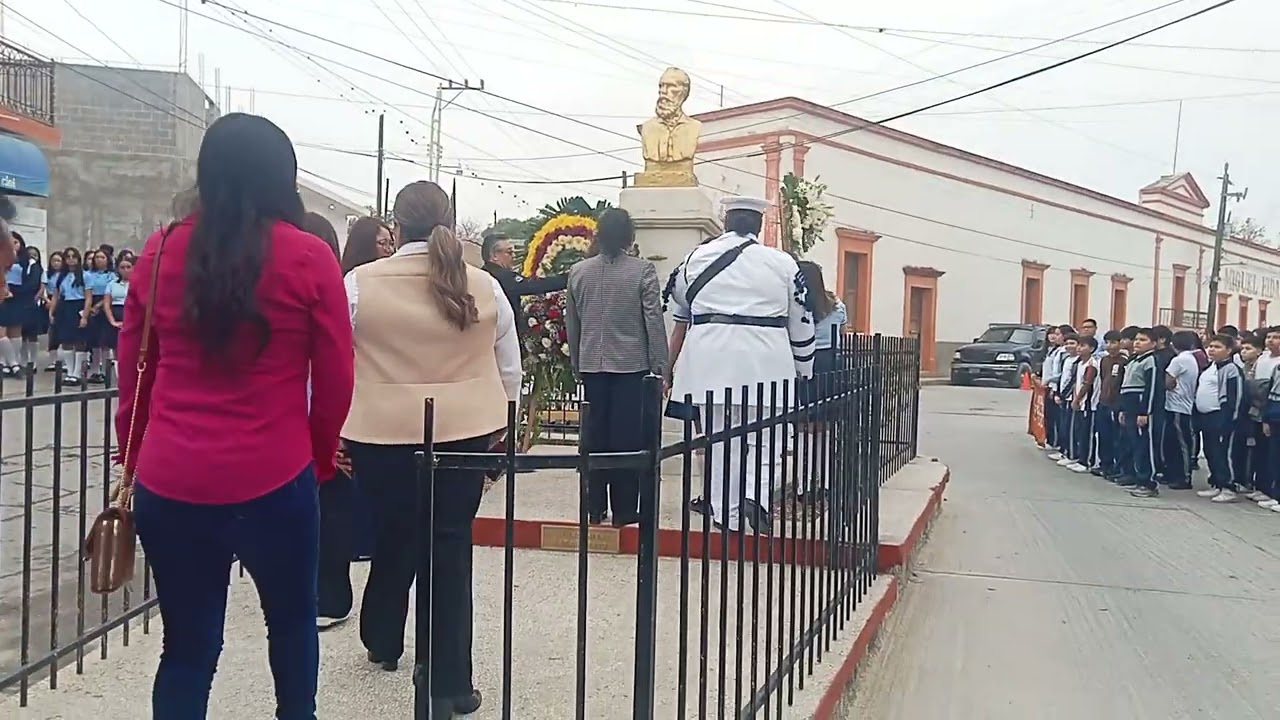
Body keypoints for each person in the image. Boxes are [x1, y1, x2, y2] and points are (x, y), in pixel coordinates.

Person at [115, 113, 354, 719]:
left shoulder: (160, 250)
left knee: (188, 647)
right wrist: (321, 457)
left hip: (172, 479)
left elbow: (133, 373)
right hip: (276, 474)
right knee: (293, 626)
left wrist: (133, 456)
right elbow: (334, 378)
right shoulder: (309, 255)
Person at [341, 180, 521, 718]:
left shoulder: (358, 283)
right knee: (449, 547)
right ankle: (449, 683)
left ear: (396, 226)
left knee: (393, 534)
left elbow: (335, 357)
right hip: (466, 428)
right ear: (449, 221)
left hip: (379, 429)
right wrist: (502, 424)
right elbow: (508, 365)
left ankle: (382, 638)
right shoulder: (483, 284)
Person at [664, 195, 815, 532]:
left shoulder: (695, 258)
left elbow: (679, 303)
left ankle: (725, 514)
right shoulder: (782, 264)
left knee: (719, 441)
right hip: (766, 361)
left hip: (708, 361)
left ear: (726, 222)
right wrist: (804, 368)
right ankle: (755, 495)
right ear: (758, 226)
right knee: (770, 436)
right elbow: (801, 320)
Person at [564, 207, 667, 526]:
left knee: (594, 437)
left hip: (592, 363)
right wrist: (660, 365)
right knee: (626, 437)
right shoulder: (642, 271)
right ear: (629, 236)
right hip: (630, 365)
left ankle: (593, 506)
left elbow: (572, 322)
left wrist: (577, 362)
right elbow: (653, 319)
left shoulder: (579, 272)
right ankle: (624, 509)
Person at [481, 231, 568, 333]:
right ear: (495, 255)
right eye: (509, 252)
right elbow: (533, 285)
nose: (513, 256)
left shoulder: (481, 274)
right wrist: (567, 279)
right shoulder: (503, 276)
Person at [1193, 335, 1244, 503]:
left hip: (1221, 416)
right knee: (1211, 451)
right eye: (1210, 346)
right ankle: (1216, 483)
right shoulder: (1211, 367)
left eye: (1217, 347)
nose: (1212, 350)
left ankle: (1229, 487)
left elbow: (1234, 397)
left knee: (1223, 452)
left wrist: (1229, 419)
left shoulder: (1231, 369)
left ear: (1229, 350)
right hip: (1205, 416)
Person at [1119, 328, 1159, 495]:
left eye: (1143, 340)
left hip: (1141, 407)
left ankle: (1148, 482)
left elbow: (1152, 389)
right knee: (1134, 444)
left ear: (1154, 344)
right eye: (1136, 339)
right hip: (1129, 406)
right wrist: (1123, 409)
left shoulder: (1151, 361)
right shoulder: (1134, 360)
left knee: (1144, 446)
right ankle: (1137, 477)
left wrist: (1145, 412)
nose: (1137, 342)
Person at [1161, 330, 1200, 490]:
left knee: (1181, 443)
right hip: (1179, 405)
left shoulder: (1179, 360)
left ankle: (1184, 476)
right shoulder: (1191, 359)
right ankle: (1173, 473)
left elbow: (1168, 381)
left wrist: (1170, 385)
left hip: (1179, 406)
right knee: (1172, 443)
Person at [0, 232, 41, 375]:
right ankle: (8, 362)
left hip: (18, 299)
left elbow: (33, 283)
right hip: (2, 297)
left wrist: (15, 292)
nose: (12, 244)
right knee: (2, 332)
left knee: (15, 332)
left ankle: (13, 363)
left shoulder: (28, 262)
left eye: (15, 242)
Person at [49, 247, 89, 385]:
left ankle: (77, 373)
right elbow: (55, 295)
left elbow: (88, 297)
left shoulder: (85, 275)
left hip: (78, 306)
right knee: (66, 341)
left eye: (74, 256)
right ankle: (70, 371)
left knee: (79, 341)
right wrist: (51, 311)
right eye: (68, 257)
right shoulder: (60, 276)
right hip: (65, 307)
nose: (71, 259)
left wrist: (85, 315)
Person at [1096, 330, 1127, 480]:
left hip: (1116, 404)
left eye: (1114, 342)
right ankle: (1104, 464)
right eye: (1107, 342)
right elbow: (1103, 379)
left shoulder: (1124, 361)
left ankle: (1116, 466)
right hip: (1103, 402)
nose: (1110, 346)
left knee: (1116, 437)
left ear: (1120, 343)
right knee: (1103, 436)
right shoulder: (1104, 360)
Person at [1066, 336, 1099, 473]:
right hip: (1079, 401)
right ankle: (1079, 457)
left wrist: (1078, 399)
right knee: (1079, 431)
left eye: (1083, 346)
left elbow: (1087, 384)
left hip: (1088, 404)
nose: (1079, 348)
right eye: (1078, 345)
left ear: (1091, 349)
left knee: (1087, 433)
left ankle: (1086, 461)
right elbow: (1077, 384)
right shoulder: (1080, 364)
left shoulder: (1092, 364)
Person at [83, 249, 117, 383]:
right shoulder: (88, 274)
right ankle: (95, 370)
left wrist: (99, 305)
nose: (99, 260)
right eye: (97, 257)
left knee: (104, 341)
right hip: (91, 303)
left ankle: (104, 370)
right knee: (94, 340)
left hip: (105, 305)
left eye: (102, 257)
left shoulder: (112, 276)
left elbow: (111, 293)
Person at [1053, 333, 1080, 467]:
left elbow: (1073, 381)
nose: (1069, 346)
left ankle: (1073, 454)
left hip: (1070, 398)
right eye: (1067, 343)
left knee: (1071, 428)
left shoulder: (1078, 362)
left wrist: (1064, 395)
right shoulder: (1066, 359)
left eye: (1073, 343)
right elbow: (1061, 378)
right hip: (1063, 396)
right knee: (1063, 426)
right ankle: (1064, 450)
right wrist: (1057, 393)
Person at [1040, 325, 1067, 453]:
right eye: (1052, 334)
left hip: (1056, 388)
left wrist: (1051, 384)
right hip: (1049, 386)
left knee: (1057, 419)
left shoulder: (1063, 352)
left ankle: (1058, 444)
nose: (1054, 337)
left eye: (1058, 334)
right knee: (1049, 416)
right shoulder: (1052, 350)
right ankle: (1050, 440)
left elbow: (1061, 373)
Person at [101, 256, 131, 353]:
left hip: (132, 317)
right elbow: (106, 304)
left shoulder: (137, 283)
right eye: (122, 267)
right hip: (116, 316)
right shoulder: (112, 284)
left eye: (128, 267)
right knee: (116, 347)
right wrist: (112, 321)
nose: (125, 270)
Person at [41, 251, 62, 371]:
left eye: (58, 260)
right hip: (49, 300)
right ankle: (53, 359)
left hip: (62, 301)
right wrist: (46, 301)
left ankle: (62, 360)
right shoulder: (47, 274)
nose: (56, 263)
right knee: (52, 331)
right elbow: (42, 289)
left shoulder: (64, 275)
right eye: (54, 260)